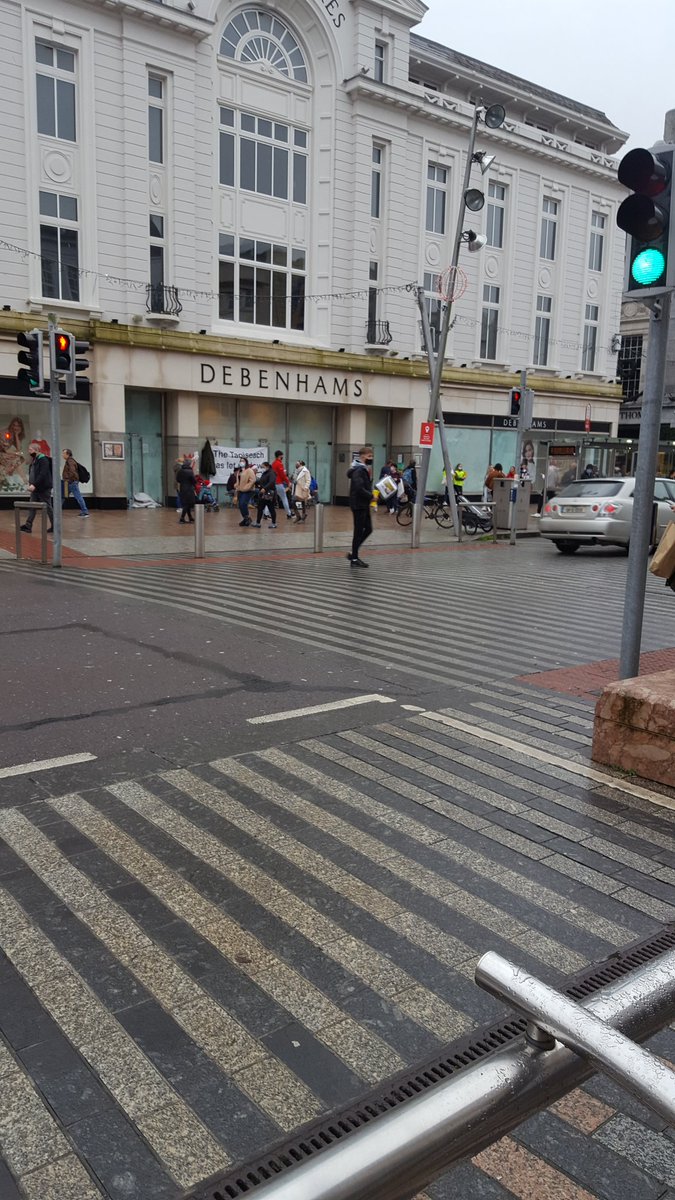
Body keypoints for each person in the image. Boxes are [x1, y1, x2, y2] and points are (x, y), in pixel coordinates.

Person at [347, 446, 373, 568]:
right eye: (369, 456)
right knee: (358, 531)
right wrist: (371, 496)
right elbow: (359, 488)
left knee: (368, 528)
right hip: (359, 504)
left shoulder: (361, 469)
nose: (371, 459)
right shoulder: (359, 470)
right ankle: (354, 558)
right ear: (362, 456)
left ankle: (354, 554)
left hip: (363, 504)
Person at [20, 440, 53, 533]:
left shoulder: (43, 460)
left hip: (43, 488)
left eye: (30, 450)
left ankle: (55, 525)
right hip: (35, 487)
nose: (29, 451)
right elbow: (34, 473)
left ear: (36, 450)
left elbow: (42, 474)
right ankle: (28, 525)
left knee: (48, 507)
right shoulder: (35, 460)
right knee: (32, 506)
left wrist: (34, 484)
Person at [61, 449, 89, 517]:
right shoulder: (69, 461)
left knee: (78, 496)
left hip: (71, 482)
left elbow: (72, 472)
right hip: (68, 482)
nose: (62, 455)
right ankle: (56, 510)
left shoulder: (70, 461)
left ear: (68, 454)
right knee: (62, 496)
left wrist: (69, 480)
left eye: (63, 453)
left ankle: (85, 512)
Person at [252, 462, 278, 529]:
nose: (261, 468)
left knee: (271, 508)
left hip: (270, 494)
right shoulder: (264, 473)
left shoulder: (271, 473)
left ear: (267, 466)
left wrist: (265, 488)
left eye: (262, 467)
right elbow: (261, 481)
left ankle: (274, 523)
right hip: (263, 494)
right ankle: (258, 523)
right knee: (260, 508)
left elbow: (271, 482)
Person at [235, 457, 256, 526]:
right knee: (240, 505)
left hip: (248, 490)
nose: (242, 462)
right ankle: (246, 518)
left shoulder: (249, 470)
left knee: (243, 503)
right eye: (240, 461)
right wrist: (237, 487)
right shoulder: (239, 471)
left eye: (243, 461)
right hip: (240, 490)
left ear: (246, 462)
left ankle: (247, 518)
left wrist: (247, 487)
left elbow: (253, 480)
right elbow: (238, 481)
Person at [272, 450, 293, 519]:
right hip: (278, 484)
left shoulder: (273, 463)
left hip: (273, 483)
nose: (282, 457)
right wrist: (288, 482)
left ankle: (266, 514)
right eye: (282, 455)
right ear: (280, 456)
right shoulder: (279, 464)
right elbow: (282, 475)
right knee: (284, 499)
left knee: (270, 499)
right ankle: (289, 514)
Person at [176, 453, 197, 524]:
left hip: (182, 489)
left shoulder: (180, 471)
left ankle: (190, 517)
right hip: (189, 489)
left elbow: (178, 479)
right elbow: (194, 481)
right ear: (189, 464)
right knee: (187, 504)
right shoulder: (190, 472)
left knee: (186, 503)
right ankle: (182, 518)